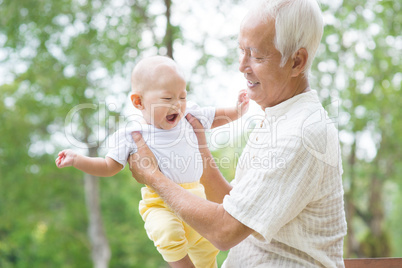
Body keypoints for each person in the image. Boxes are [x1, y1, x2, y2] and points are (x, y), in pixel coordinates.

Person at [128, 0, 347, 267]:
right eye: (241, 51)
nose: (242, 66)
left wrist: (153, 177)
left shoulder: (301, 134)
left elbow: (225, 230)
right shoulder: (281, 119)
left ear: (296, 62)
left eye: (256, 56)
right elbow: (239, 208)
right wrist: (200, 148)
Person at [55, 56, 250, 268]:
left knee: (207, 247)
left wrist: (237, 110)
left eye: (182, 97)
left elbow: (216, 117)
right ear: (139, 102)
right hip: (159, 203)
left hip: (196, 197)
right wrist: (78, 159)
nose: (177, 104)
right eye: (167, 99)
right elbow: (108, 166)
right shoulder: (132, 134)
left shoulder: (189, 116)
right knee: (167, 233)